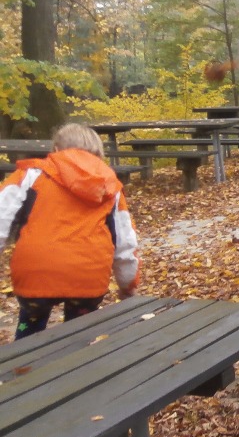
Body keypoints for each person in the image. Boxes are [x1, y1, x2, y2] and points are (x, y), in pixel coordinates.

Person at [0, 123, 140, 340]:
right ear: (98, 152)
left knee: (29, 331)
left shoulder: (30, 175)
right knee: (79, 336)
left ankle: (24, 358)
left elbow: (2, 215)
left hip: (36, 270)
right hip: (88, 273)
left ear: (56, 149)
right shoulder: (110, 185)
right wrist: (128, 284)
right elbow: (124, 241)